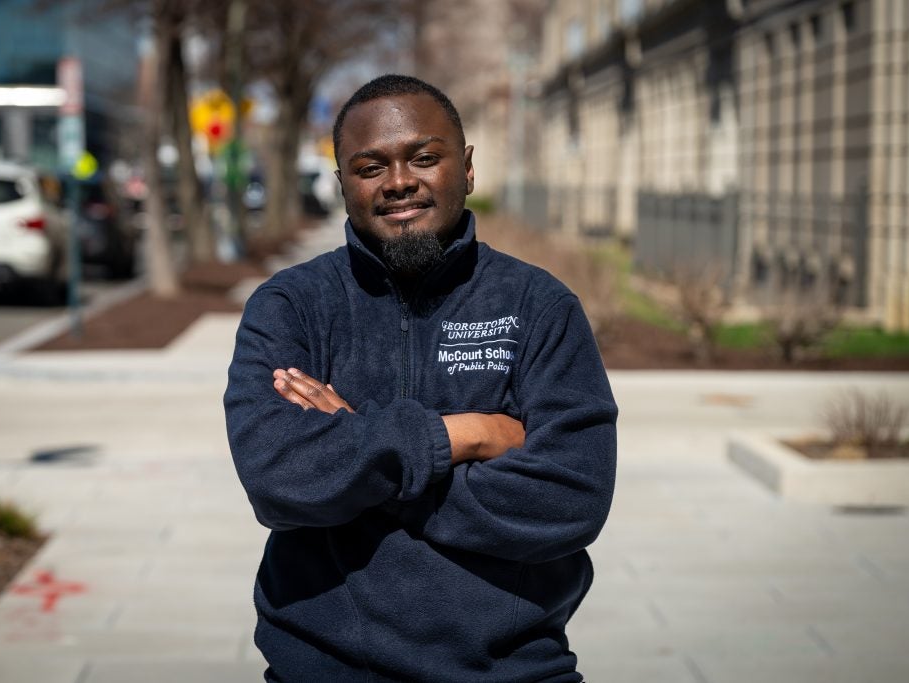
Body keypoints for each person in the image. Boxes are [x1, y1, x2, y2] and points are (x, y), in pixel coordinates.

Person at [224, 74, 617, 682]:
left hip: (514, 669)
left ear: (466, 168)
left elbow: (570, 499)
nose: (400, 181)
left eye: (424, 158)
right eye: (370, 166)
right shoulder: (290, 307)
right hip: (322, 669)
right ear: (343, 185)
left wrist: (357, 455)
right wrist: (468, 436)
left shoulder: (539, 305)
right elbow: (279, 479)